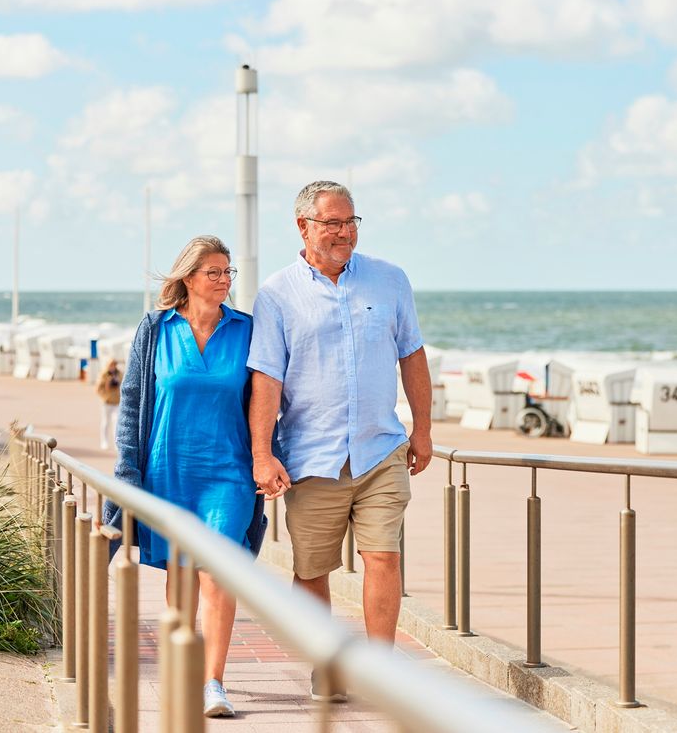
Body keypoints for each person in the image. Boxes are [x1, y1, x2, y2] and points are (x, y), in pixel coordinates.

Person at [248, 180, 433, 702]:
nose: (344, 232)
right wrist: (263, 453)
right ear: (303, 226)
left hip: (380, 450)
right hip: (311, 457)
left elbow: (412, 355)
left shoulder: (390, 280)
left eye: (350, 222)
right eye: (332, 223)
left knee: (384, 558)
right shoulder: (277, 294)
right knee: (312, 570)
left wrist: (423, 428)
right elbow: (266, 377)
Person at [108, 235, 265, 718]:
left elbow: (266, 400)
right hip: (168, 467)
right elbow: (133, 401)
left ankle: (213, 682)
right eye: (214, 272)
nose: (224, 281)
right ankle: (182, 669)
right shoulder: (156, 330)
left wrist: (268, 457)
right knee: (180, 576)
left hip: (228, 471)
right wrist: (127, 470)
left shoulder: (247, 330)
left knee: (218, 572)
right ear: (188, 278)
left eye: (228, 272)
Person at [95, 358, 122, 450]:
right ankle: (104, 441)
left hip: (117, 402)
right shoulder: (103, 374)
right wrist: (105, 395)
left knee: (116, 422)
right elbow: (98, 389)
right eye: (111, 365)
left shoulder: (119, 374)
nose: (113, 367)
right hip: (107, 402)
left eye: (114, 365)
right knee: (106, 422)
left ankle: (116, 443)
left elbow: (123, 385)